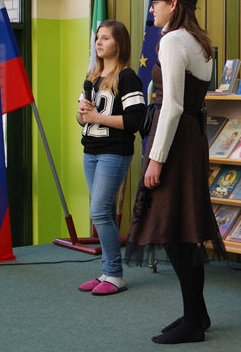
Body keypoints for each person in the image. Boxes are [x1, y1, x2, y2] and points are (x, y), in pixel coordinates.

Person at [124, 0, 226, 344]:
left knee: (174, 231)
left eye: (156, 2)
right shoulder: (199, 41)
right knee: (182, 229)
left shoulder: (172, 40)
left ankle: (194, 322)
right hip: (191, 140)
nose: (151, 8)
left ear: (173, 4)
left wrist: (156, 158)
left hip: (175, 143)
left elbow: (172, 107)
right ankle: (197, 313)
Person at [76, 20, 146, 296]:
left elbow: (135, 120)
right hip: (90, 151)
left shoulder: (128, 77)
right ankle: (107, 272)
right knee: (102, 212)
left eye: (106, 38)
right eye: (98, 37)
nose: (99, 42)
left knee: (99, 211)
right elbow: (82, 120)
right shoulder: (92, 77)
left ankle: (115, 275)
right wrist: (82, 113)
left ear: (120, 43)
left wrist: (97, 117)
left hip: (114, 152)